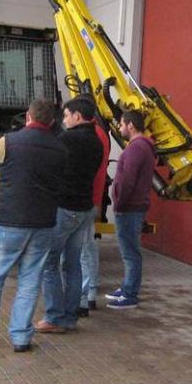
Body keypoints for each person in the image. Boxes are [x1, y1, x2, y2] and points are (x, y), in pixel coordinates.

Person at [0, 98, 66, 352]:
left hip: (10, 221)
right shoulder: (61, 149)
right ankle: (20, 338)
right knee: (30, 281)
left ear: (28, 117)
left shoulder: (9, 141)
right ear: (51, 121)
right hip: (43, 223)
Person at [36, 97, 104, 333]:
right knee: (73, 264)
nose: (63, 120)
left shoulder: (68, 139)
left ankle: (54, 317)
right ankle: (70, 316)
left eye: (66, 115)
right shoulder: (96, 141)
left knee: (49, 263)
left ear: (77, 116)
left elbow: (50, 167)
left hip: (65, 208)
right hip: (84, 209)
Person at [105, 110, 156, 309]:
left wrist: (119, 203)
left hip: (129, 208)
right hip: (134, 206)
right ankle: (127, 287)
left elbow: (127, 180)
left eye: (121, 124)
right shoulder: (143, 147)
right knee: (130, 251)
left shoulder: (136, 149)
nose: (119, 128)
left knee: (130, 252)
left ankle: (130, 294)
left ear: (131, 125)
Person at [78, 112, 112, 317]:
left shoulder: (92, 137)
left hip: (85, 200)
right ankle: (89, 291)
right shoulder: (99, 135)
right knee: (87, 246)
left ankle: (87, 293)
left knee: (84, 248)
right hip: (91, 199)